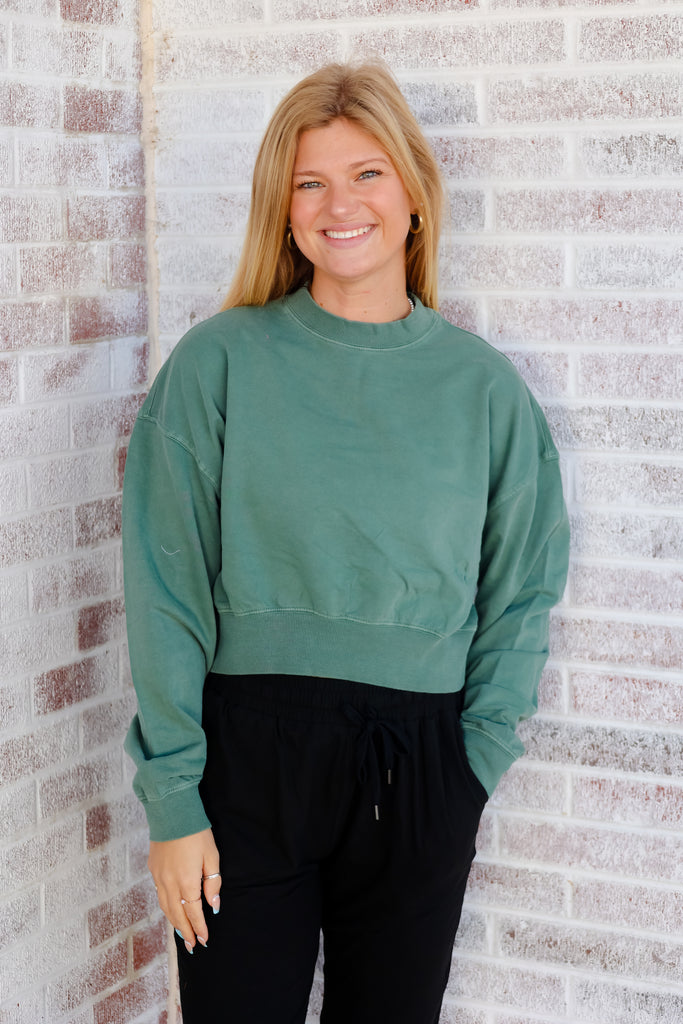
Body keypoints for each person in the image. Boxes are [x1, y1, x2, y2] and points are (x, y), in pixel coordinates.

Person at [122, 60, 570, 1024]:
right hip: (246, 761)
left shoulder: (484, 389)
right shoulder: (217, 363)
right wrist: (173, 800)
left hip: (424, 766)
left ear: (414, 192)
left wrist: (475, 760)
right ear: (281, 209)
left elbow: (523, 588)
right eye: (309, 182)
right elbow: (164, 585)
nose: (339, 206)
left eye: (367, 173)